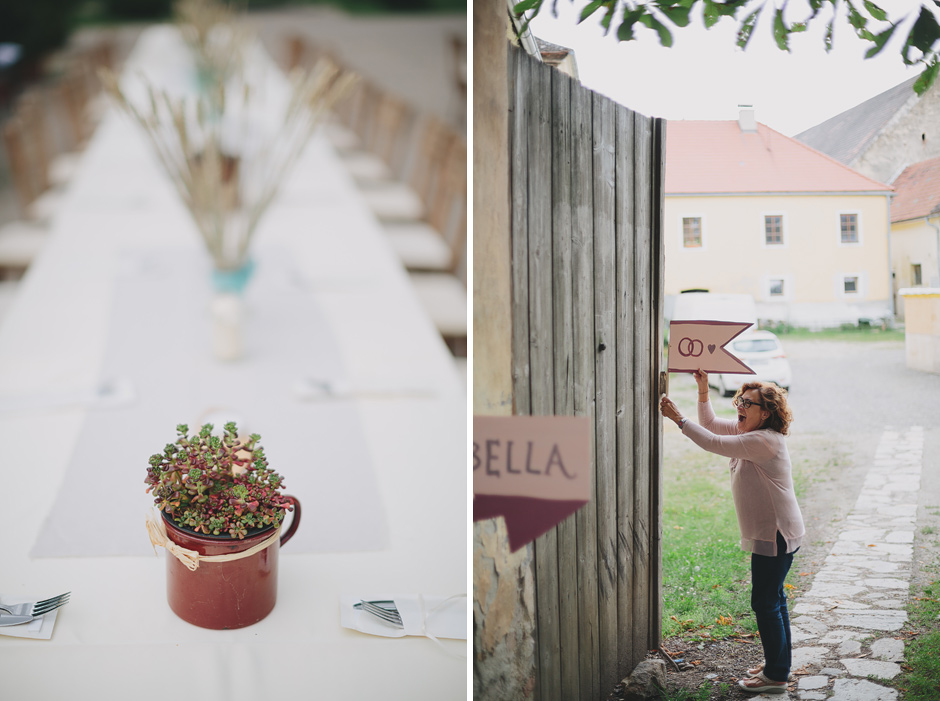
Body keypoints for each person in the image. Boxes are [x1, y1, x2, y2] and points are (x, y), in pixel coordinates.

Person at [659, 370, 805, 695]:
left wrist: (678, 419)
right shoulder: (747, 429)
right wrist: (701, 391)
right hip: (774, 532)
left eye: (747, 403)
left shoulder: (763, 440)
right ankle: (777, 665)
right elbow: (711, 425)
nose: (739, 405)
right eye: (739, 399)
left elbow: (711, 442)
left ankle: (776, 676)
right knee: (774, 600)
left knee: (766, 603)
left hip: (777, 534)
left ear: (765, 413)